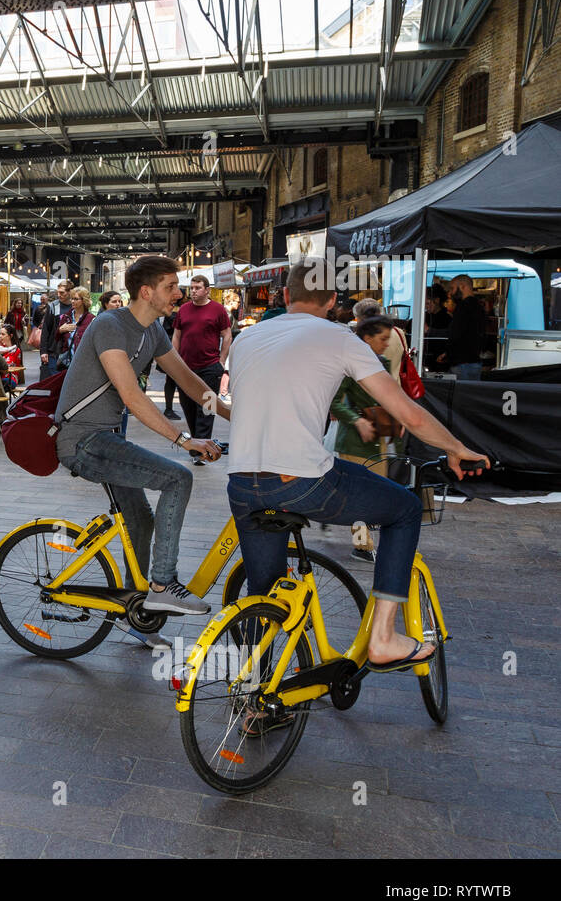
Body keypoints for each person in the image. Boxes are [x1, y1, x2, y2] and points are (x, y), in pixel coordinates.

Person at [225, 258, 489, 686]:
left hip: (242, 483)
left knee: (265, 593)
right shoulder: (340, 337)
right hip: (302, 480)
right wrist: (456, 448)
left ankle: (254, 694)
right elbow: (407, 412)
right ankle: (383, 638)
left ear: (287, 296)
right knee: (403, 510)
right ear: (333, 301)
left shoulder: (246, 340)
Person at [55, 255, 227, 626]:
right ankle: (163, 587)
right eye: (171, 287)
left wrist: (233, 414)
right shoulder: (109, 325)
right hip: (83, 440)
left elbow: (189, 381)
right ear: (147, 292)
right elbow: (132, 396)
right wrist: (184, 441)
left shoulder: (155, 331)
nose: (179, 295)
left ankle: (141, 613)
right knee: (178, 478)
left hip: (108, 437)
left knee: (142, 522)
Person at [331, 316, 400, 562]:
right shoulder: (350, 365)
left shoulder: (382, 361)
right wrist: (357, 420)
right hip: (355, 440)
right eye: (382, 339)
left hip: (377, 437)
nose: (385, 344)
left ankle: (361, 540)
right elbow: (334, 401)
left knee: (372, 495)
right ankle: (361, 545)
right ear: (367, 338)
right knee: (360, 496)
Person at [171, 275, 231, 466]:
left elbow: (227, 335)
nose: (193, 291)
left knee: (206, 409)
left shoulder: (217, 309)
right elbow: (177, 335)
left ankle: (200, 450)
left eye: (197, 288)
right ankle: (198, 444)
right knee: (188, 406)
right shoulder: (184, 310)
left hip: (209, 367)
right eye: (191, 288)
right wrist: (175, 359)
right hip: (186, 367)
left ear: (207, 290)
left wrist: (221, 361)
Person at [441, 274, 485, 379]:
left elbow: (454, 333)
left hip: (461, 364)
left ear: (462, 286)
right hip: (475, 363)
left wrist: (430, 331)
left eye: (452, 288)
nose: (450, 293)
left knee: (459, 394)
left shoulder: (463, 307)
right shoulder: (480, 307)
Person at [56, 287, 94, 370]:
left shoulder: (91, 319)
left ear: (84, 300)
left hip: (84, 362)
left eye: (76, 299)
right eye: (72, 299)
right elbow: (55, 338)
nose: (72, 301)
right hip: (67, 362)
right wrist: (60, 330)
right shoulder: (66, 317)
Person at [39, 283, 70, 380]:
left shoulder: (75, 306)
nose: (59, 295)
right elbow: (46, 329)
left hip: (70, 349)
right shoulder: (54, 306)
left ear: (70, 292)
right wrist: (43, 351)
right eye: (58, 292)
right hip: (54, 349)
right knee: (54, 379)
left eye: (62, 292)